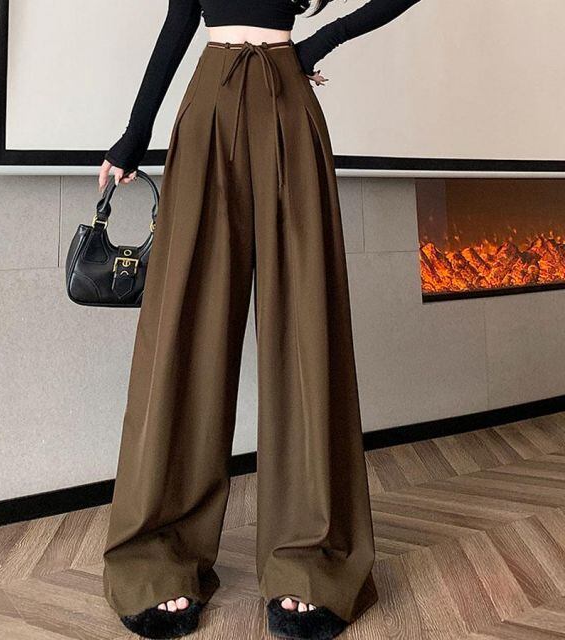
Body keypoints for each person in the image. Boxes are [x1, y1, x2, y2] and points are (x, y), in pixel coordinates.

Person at [98, 1, 421, 638]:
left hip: (287, 103)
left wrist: (319, 43)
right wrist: (134, 135)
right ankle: (158, 556)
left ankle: (311, 559)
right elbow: (179, 20)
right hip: (209, 106)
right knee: (184, 332)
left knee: (307, 327)